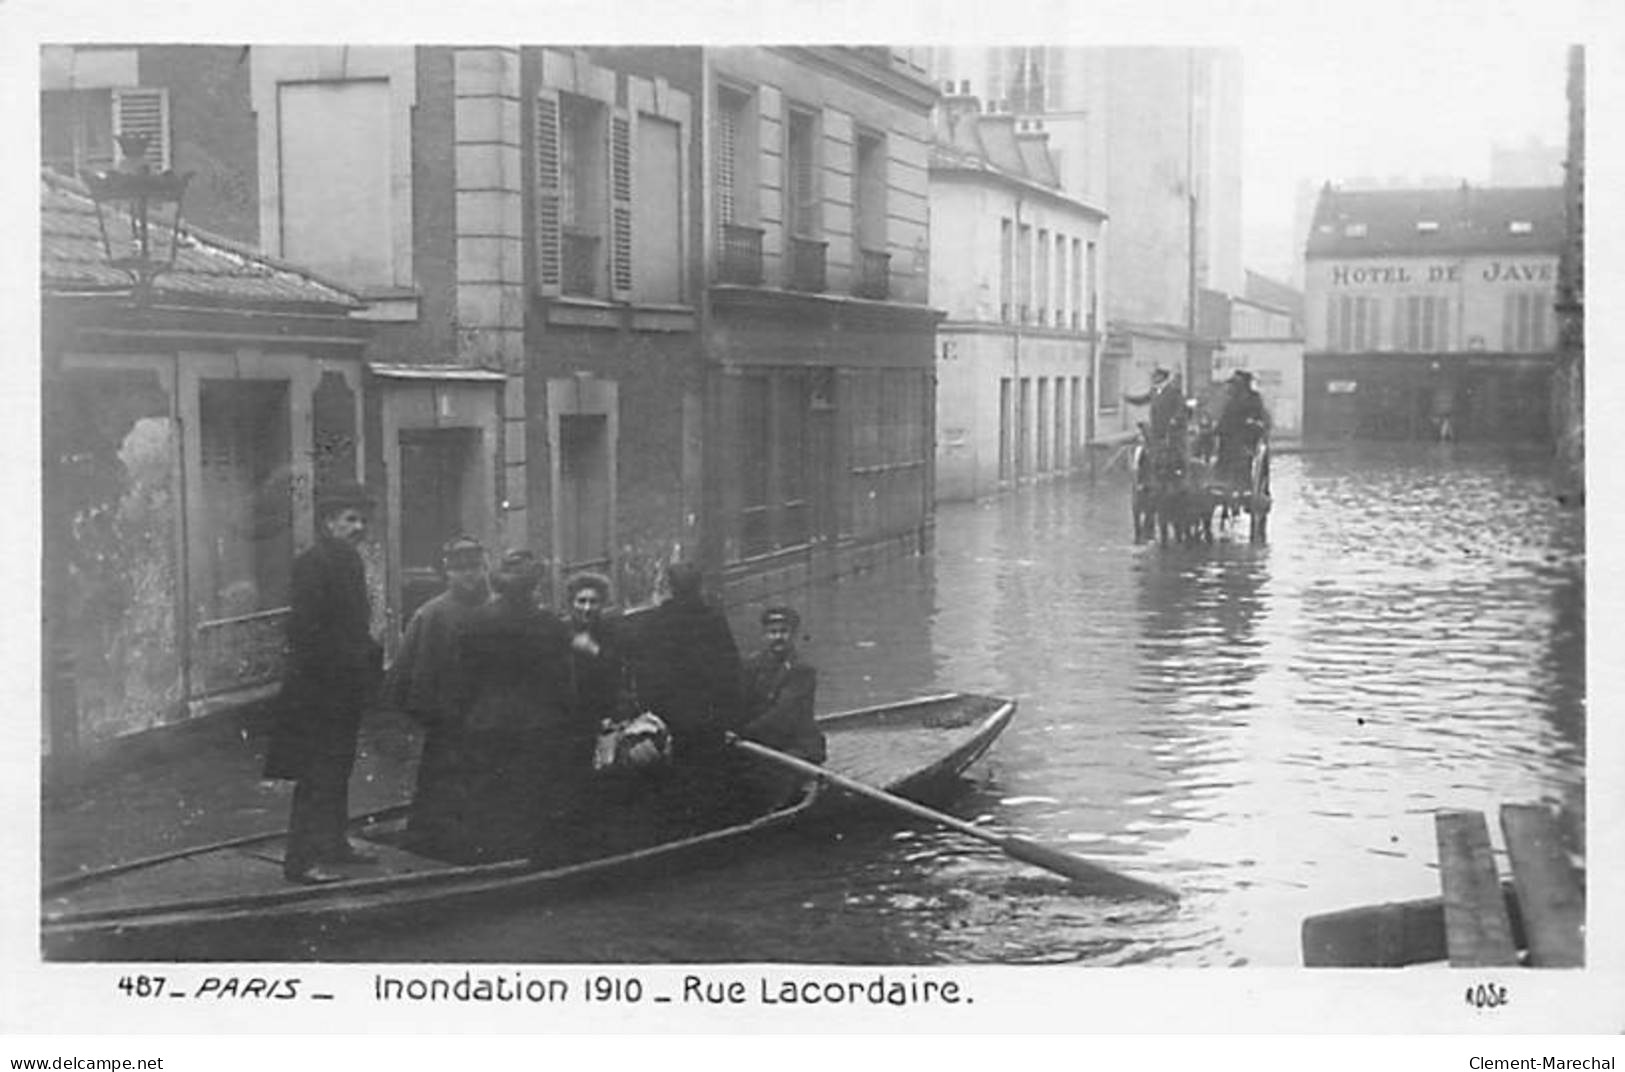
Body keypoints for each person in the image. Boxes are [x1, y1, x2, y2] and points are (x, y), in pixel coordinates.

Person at [263, 480, 384, 885]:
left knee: (338, 768)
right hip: (316, 690)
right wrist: (345, 663)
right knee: (316, 775)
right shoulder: (313, 564)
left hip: (342, 687)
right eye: (351, 520)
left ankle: (334, 844)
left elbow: (354, 625)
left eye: (363, 520)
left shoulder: (348, 561)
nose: (359, 527)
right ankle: (301, 862)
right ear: (329, 523)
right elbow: (307, 631)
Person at [454, 550, 579, 863]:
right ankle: (528, 854)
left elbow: (463, 676)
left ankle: (487, 853)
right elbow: (562, 680)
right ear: (534, 586)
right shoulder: (549, 625)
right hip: (536, 721)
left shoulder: (476, 621)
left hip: (486, 718)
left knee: (488, 788)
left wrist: (469, 713)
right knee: (530, 789)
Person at [384, 535, 489, 856]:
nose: (469, 575)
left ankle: (477, 841)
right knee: (438, 779)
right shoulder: (431, 615)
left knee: (483, 780)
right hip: (446, 718)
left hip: (487, 716)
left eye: (475, 568)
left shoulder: (496, 610)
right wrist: (420, 712)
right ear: (448, 573)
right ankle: (430, 842)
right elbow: (403, 672)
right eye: (461, 569)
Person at [628, 560, 746, 834]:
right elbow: (730, 672)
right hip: (708, 717)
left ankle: (676, 829)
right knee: (709, 774)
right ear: (699, 587)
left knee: (673, 775)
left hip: (669, 718)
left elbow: (645, 673)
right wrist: (732, 721)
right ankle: (712, 826)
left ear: (670, 587)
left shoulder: (655, 622)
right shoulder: (713, 620)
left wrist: (650, 712)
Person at [734, 605, 825, 810]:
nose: (778, 637)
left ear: (792, 635)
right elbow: (739, 702)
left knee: (777, 776)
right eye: (772, 632)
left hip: (796, 743)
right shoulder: (751, 666)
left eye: (783, 632)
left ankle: (773, 810)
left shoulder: (802, 670)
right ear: (765, 635)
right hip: (762, 742)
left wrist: (744, 733)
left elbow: (783, 715)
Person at [1125, 368, 1189, 471]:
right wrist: (1129, 399)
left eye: (1156, 376)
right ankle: (1158, 469)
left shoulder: (1173, 391)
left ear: (1163, 377)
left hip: (1171, 429)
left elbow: (1181, 408)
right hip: (1157, 427)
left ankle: (1178, 471)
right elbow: (1143, 399)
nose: (1153, 378)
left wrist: (1175, 419)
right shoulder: (1154, 391)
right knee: (1157, 451)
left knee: (1173, 452)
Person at [1215, 369, 1270, 485]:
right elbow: (1224, 420)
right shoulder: (1230, 401)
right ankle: (1221, 479)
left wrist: (1251, 424)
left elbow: (1259, 418)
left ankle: (1242, 482)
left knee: (1240, 453)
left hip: (1246, 438)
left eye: (1235, 384)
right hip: (1229, 438)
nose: (1232, 388)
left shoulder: (1253, 399)